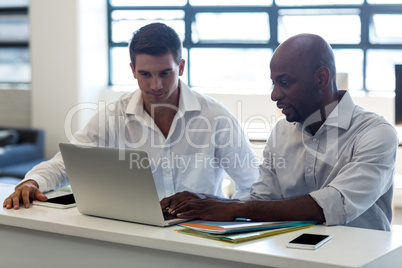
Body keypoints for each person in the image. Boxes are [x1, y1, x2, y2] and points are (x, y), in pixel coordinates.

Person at [3, 23, 259, 210]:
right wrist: (32, 181)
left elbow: (254, 186)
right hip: (135, 233)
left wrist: (226, 211)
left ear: (180, 67)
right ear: (133, 71)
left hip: (197, 233)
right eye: (145, 74)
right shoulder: (114, 115)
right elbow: (66, 161)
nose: (156, 85)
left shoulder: (215, 117)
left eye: (165, 73)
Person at [161, 33, 399, 231]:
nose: (274, 95)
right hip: (292, 256)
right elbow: (261, 201)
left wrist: (235, 208)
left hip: (362, 259)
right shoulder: (281, 132)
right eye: (273, 83)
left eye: (284, 83)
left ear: (321, 78)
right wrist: (207, 201)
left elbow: (335, 204)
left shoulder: (375, 134)